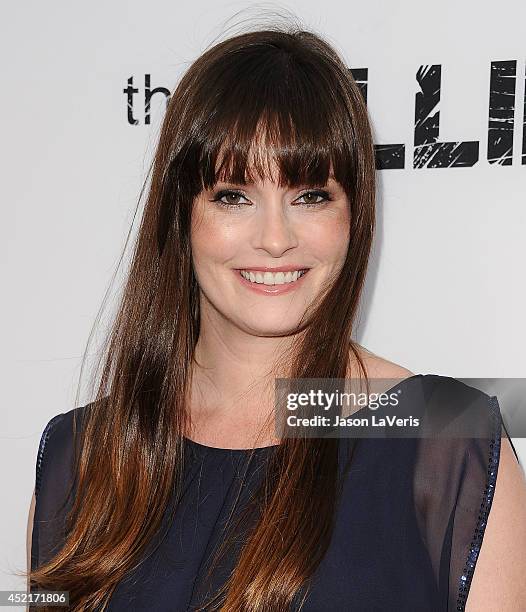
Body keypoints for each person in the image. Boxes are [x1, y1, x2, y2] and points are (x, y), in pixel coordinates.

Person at [26, 22, 526, 612]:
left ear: (354, 215)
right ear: (181, 215)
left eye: (310, 196)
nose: (274, 239)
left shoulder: (442, 435)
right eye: (233, 196)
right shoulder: (80, 454)